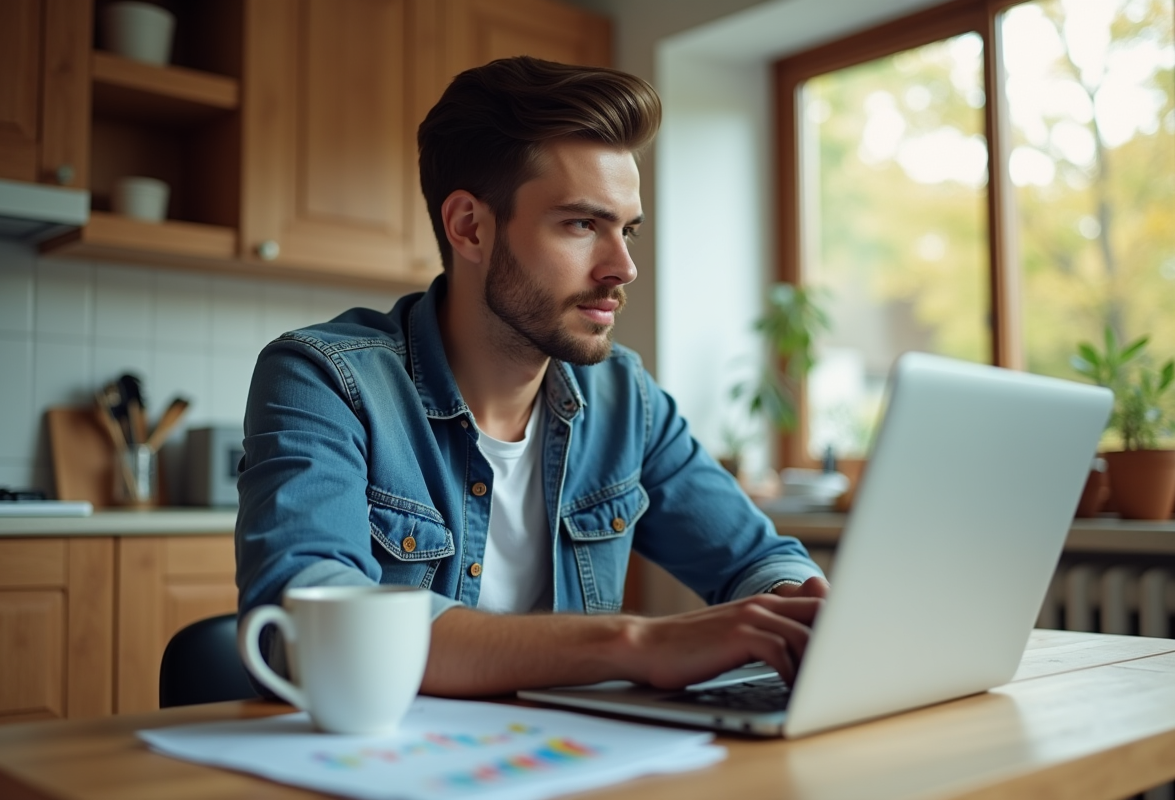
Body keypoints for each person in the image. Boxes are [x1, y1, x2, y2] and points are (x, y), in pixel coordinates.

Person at [236, 56, 829, 698]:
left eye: (626, 230)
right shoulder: (325, 380)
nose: (623, 267)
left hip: (567, 759)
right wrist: (638, 644)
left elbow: (756, 559)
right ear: (470, 227)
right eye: (582, 224)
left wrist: (796, 607)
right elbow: (315, 622)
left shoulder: (627, 399)